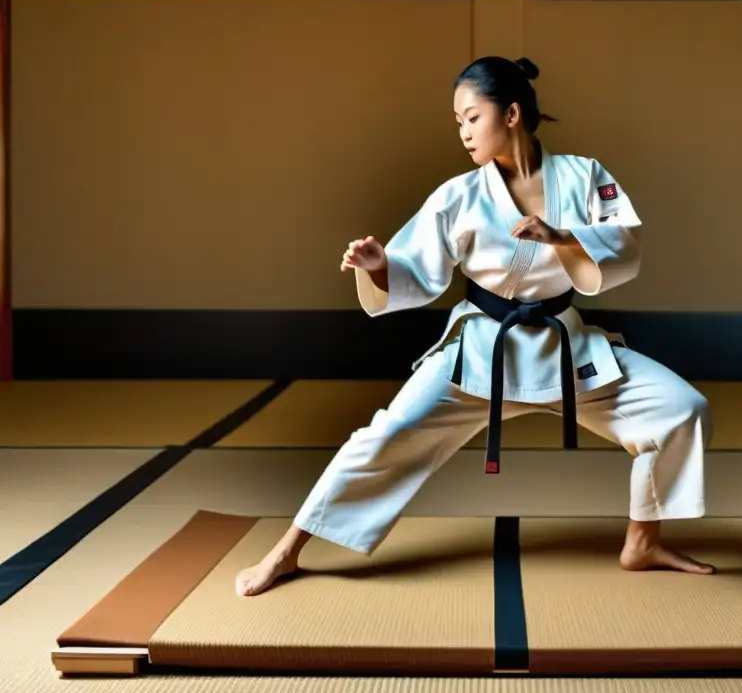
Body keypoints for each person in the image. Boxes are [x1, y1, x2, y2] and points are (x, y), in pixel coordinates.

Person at [235, 56, 714, 598]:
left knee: (681, 408)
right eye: (457, 122)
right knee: (386, 435)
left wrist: (559, 237)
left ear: (511, 113)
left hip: (564, 345)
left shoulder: (584, 176)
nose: (462, 132)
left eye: (471, 117)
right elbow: (414, 268)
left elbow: (625, 243)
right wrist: (378, 266)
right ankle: (286, 551)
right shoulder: (458, 195)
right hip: (482, 349)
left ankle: (643, 542)